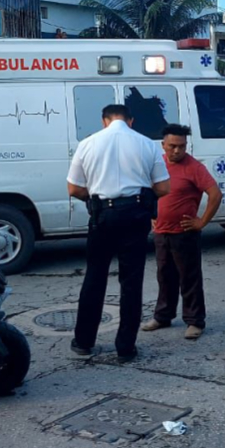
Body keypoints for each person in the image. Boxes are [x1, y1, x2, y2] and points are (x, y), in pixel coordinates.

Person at [67, 104, 171, 363]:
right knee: (131, 282)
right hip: (135, 216)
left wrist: (95, 197)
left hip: (102, 216)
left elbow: (73, 189)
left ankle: (83, 342)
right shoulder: (147, 144)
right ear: (131, 121)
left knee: (94, 278)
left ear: (104, 121)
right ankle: (125, 347)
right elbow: (164, 187)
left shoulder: (87, 143)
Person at [142, 124, 223, 341]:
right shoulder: (156, 164)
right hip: (161, 231)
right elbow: (149, 190)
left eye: (182, 146)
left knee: (189, 278)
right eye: (172, 146)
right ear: (163, 145)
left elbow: (215, 194)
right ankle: (163, 316)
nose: (177, 150)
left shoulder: (193, 167)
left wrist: (201, 222)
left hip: (184, 232)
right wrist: (151, 213)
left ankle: (195, 321)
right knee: (164, 276)